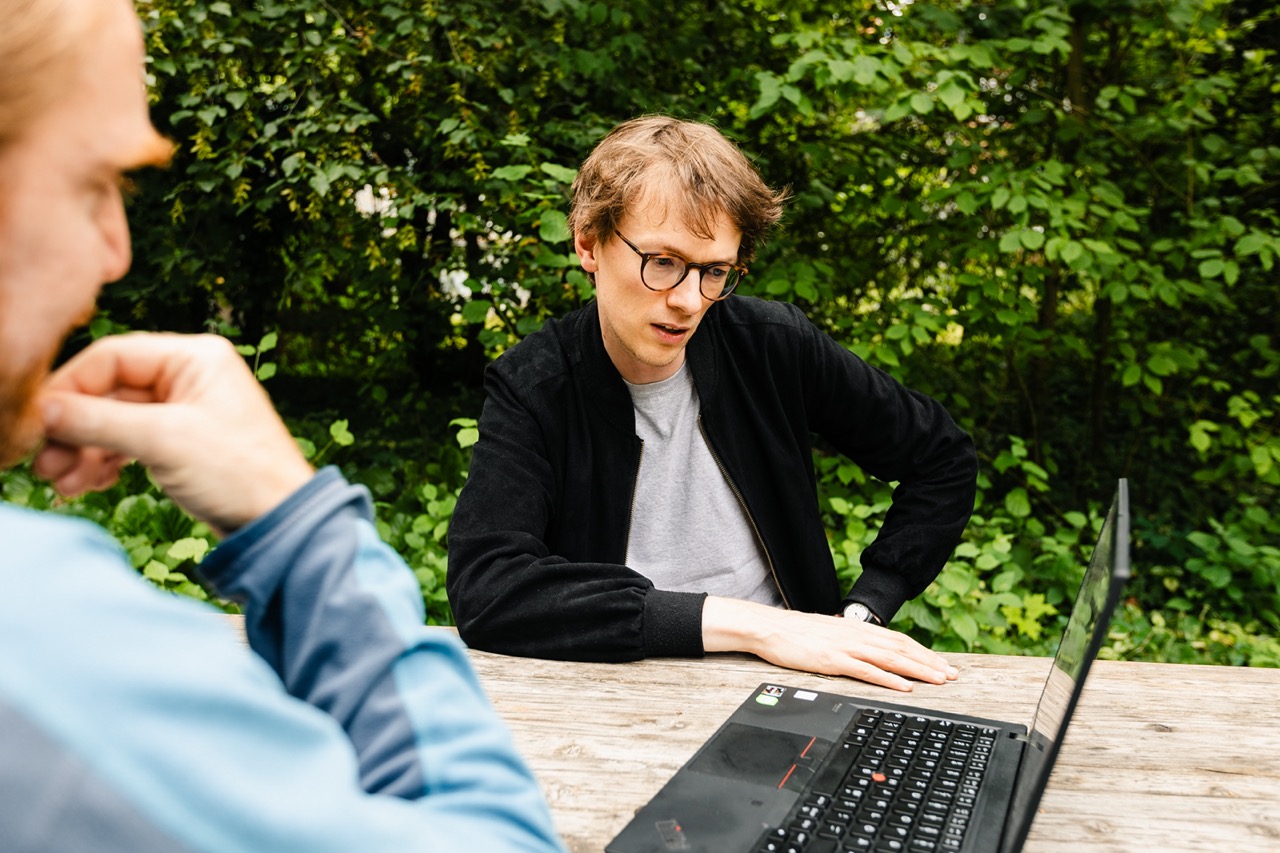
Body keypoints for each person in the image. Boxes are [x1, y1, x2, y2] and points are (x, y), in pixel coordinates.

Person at [0, 1, 564, 850]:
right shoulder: (40, 651)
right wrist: (299, 533)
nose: (116, 250)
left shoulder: (762, 351)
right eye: (94, 183)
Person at [447, 116, 978, 692]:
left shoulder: (771, 346)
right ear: (589, 243)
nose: (688, 300)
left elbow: (941, 459)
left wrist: (865, 609)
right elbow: (489, 588)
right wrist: (755, 625)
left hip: (795, 689)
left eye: (715, 272)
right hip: (612, 686)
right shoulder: (535, 386)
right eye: (663, 262)